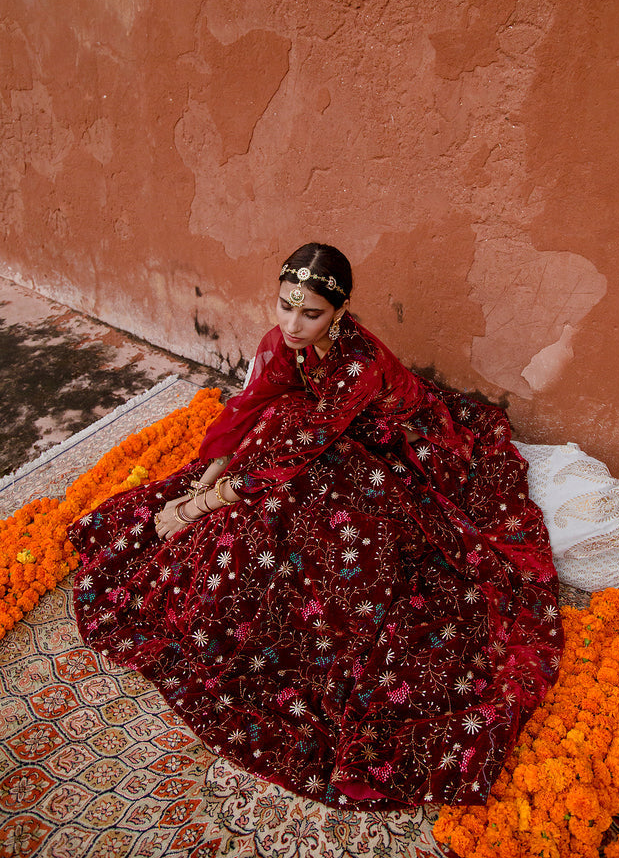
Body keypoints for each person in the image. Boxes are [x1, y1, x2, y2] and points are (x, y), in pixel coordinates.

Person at [69, 243, 563, 810]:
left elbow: (306, 447)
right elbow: (252, 407)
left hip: (408, 446)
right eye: (285, 307)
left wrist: (195, 509)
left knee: (310, 503)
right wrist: (206, 476)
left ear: (342, 310)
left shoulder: (359, 363)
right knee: (275, 439)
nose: (292, 324)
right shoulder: (285, 342)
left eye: (311, 314)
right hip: (336, 431)